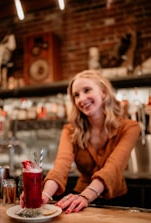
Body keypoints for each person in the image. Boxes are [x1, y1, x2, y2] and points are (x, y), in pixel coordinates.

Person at [20, 70, 141, 213]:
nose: (81, 99)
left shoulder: (130, 127)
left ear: (103, 92)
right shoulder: (70, 130)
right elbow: (61, 166)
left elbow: (113, 168)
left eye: (87, 90)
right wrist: (44, 195)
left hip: (115, 199)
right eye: (76, 95)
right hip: (78, 199)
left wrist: (86, 196)